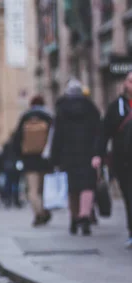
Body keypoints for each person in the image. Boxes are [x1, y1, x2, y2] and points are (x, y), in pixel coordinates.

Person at [51, 79, 102, 236]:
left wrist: (54, 158)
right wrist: (98, 152)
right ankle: (85, 216)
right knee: (87, 186)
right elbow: (99, 133)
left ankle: (73, 219)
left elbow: (57, 136)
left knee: (72, 188)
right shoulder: (91, 108)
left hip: (68, 154)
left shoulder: (61, 109)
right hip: (88, 153)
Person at [12, 95, 53, 226]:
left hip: (29, 159)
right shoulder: (48, 117)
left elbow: (17, 139)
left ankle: (38, 213)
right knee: (44, 189)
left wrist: (19, 157)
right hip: (46, 159)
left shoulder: (25, 117)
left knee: (33, 190)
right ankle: (45, 211)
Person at [102, 71, 132, 248]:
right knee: (129, 196)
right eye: (130, 81)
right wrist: (99, 155)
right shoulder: (116, 107)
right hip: (124, 161)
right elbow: (105, 132)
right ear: (125, 84)